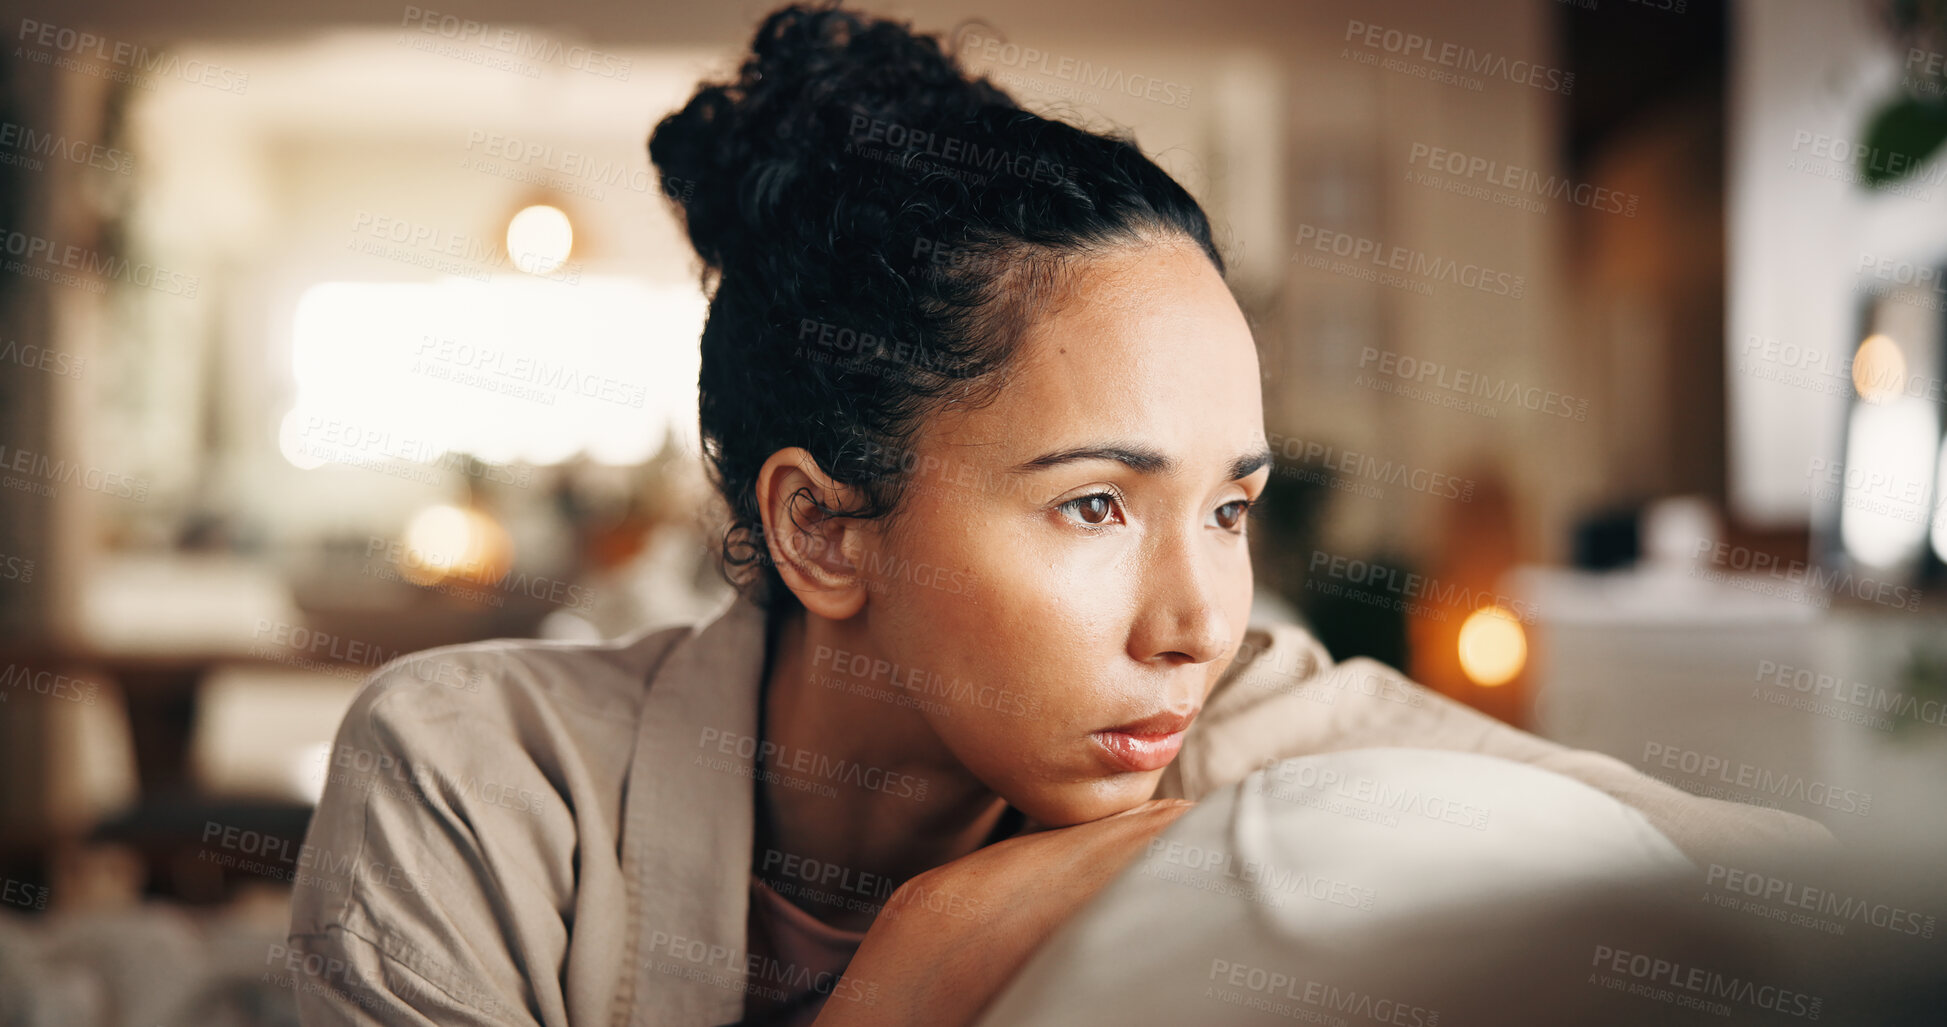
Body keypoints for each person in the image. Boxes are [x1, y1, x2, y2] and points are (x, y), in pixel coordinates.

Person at [285, 4, 1834, 1025]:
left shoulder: (1250, 727)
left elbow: (1781, 890)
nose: (1199, 623)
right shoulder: (473, 776)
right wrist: (909, 981)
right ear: (826, 531)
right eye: (1096, 505)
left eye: (1231, 510)